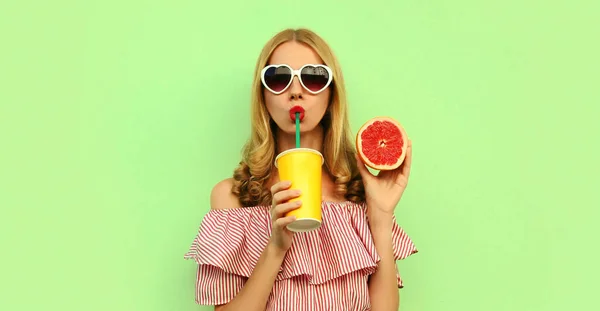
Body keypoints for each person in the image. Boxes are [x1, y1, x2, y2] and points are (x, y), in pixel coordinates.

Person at [184, 28, 417, 311]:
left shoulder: (361, 194)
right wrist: (276, 247)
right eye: (278, 79)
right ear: (263, 97)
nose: (296, 91)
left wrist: (380, 217)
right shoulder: (233, 199)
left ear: (331, 94)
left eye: (314, 78)